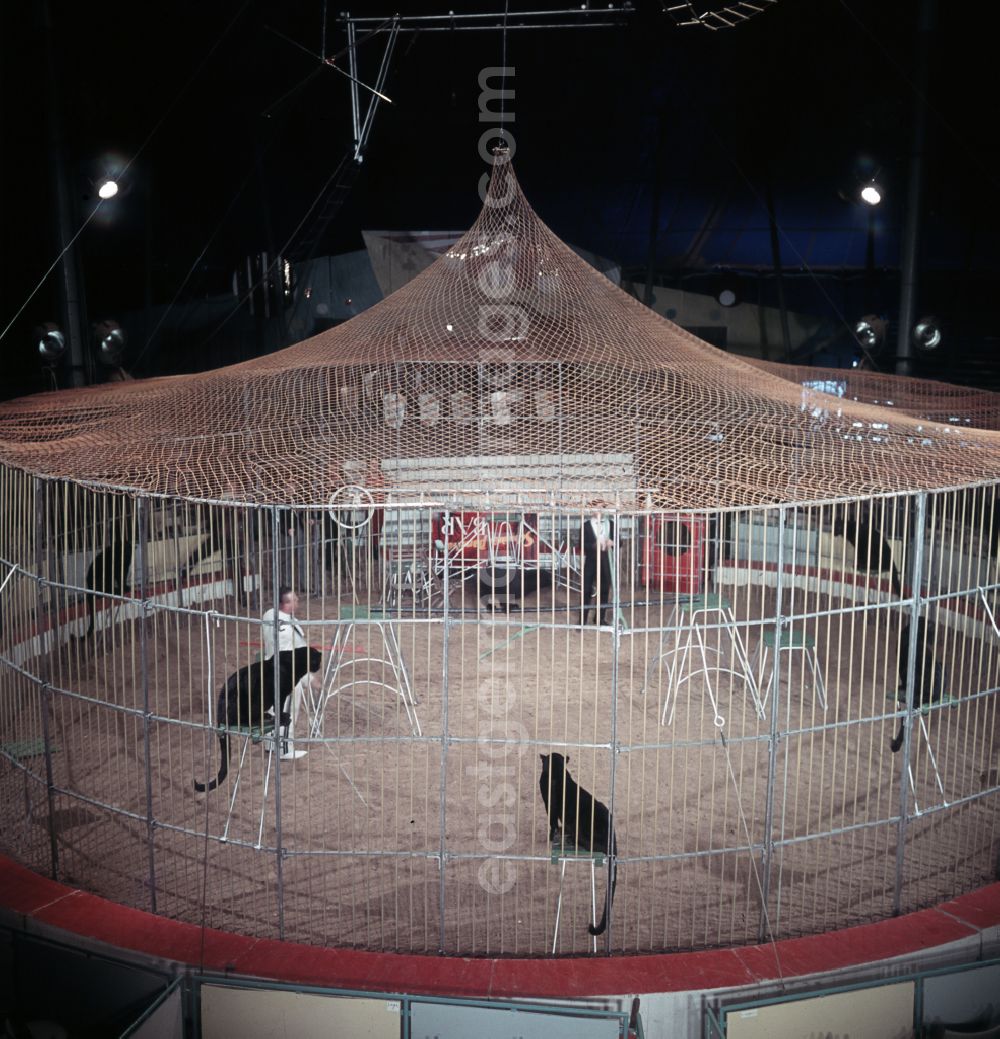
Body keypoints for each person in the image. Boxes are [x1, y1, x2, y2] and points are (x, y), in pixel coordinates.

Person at [262, 586, 322, 759]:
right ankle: (285, 749)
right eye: (294, 599)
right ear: (285, 604)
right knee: (289, 709)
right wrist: (308, 679)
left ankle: (270, 744)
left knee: (273, 708)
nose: (297, 601)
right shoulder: (288, 629)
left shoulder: (269, 615)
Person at [581, 506, 615, 626]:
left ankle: (599, 619)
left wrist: (613, 542)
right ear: (591, 511)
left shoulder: (611, 523)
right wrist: (594, 545)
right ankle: (582, 619)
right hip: (591, 560)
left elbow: (620, 541)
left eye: (601, 508)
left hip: (606, 560)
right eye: (596, 508)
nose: (599, 511)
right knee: (586, 589)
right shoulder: (586, 525)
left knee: (605, 589)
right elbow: (581, 544)